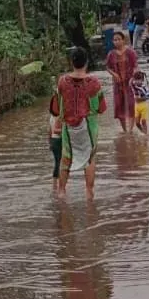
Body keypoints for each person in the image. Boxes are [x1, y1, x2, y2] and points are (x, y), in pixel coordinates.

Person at [55, 47, 106, 198]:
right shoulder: (94, 82)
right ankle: (89, 193)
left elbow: (58, 106)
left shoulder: (62, 81)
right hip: (89, 126)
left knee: (66, 157)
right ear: (87, 62)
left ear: (72, 62)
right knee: (89, 159)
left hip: (68, 126)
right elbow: (101, 107)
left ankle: (61, 192)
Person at [105, 30, 138, 132]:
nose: (116, 42)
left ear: (123, 40)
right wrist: (113, 73)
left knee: (132, 106)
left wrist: (134, 77)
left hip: (129, 84)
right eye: (115, 40)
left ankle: (131, 129)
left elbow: (135, 66)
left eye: (119, 39)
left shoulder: (130, 52)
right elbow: (107, 67)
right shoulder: (111, 54)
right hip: (118, 85)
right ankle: (124, 130)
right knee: (119, 107)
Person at [47, 94, 64, 191]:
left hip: (53, 141)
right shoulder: (59, 117)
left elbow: (49, 131)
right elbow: (55, 131)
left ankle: (55, 185)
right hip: (58, 140)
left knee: (57, 163)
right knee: (60, 163)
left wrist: (49, 143)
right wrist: (66, 130)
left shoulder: (52, 117)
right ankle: (59, 185)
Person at [131, 70, 149, 135]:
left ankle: (145, 134)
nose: (137, 81)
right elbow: (130, 82)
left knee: (143, 121)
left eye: (139, 79)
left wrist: (140, 99)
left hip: (144, 106)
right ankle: (143, 132)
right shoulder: (134, 86)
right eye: (135, 79)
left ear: (142, 80)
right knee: (137, 123)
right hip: (136, 106)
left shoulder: (144, 87)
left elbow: (148, 96)